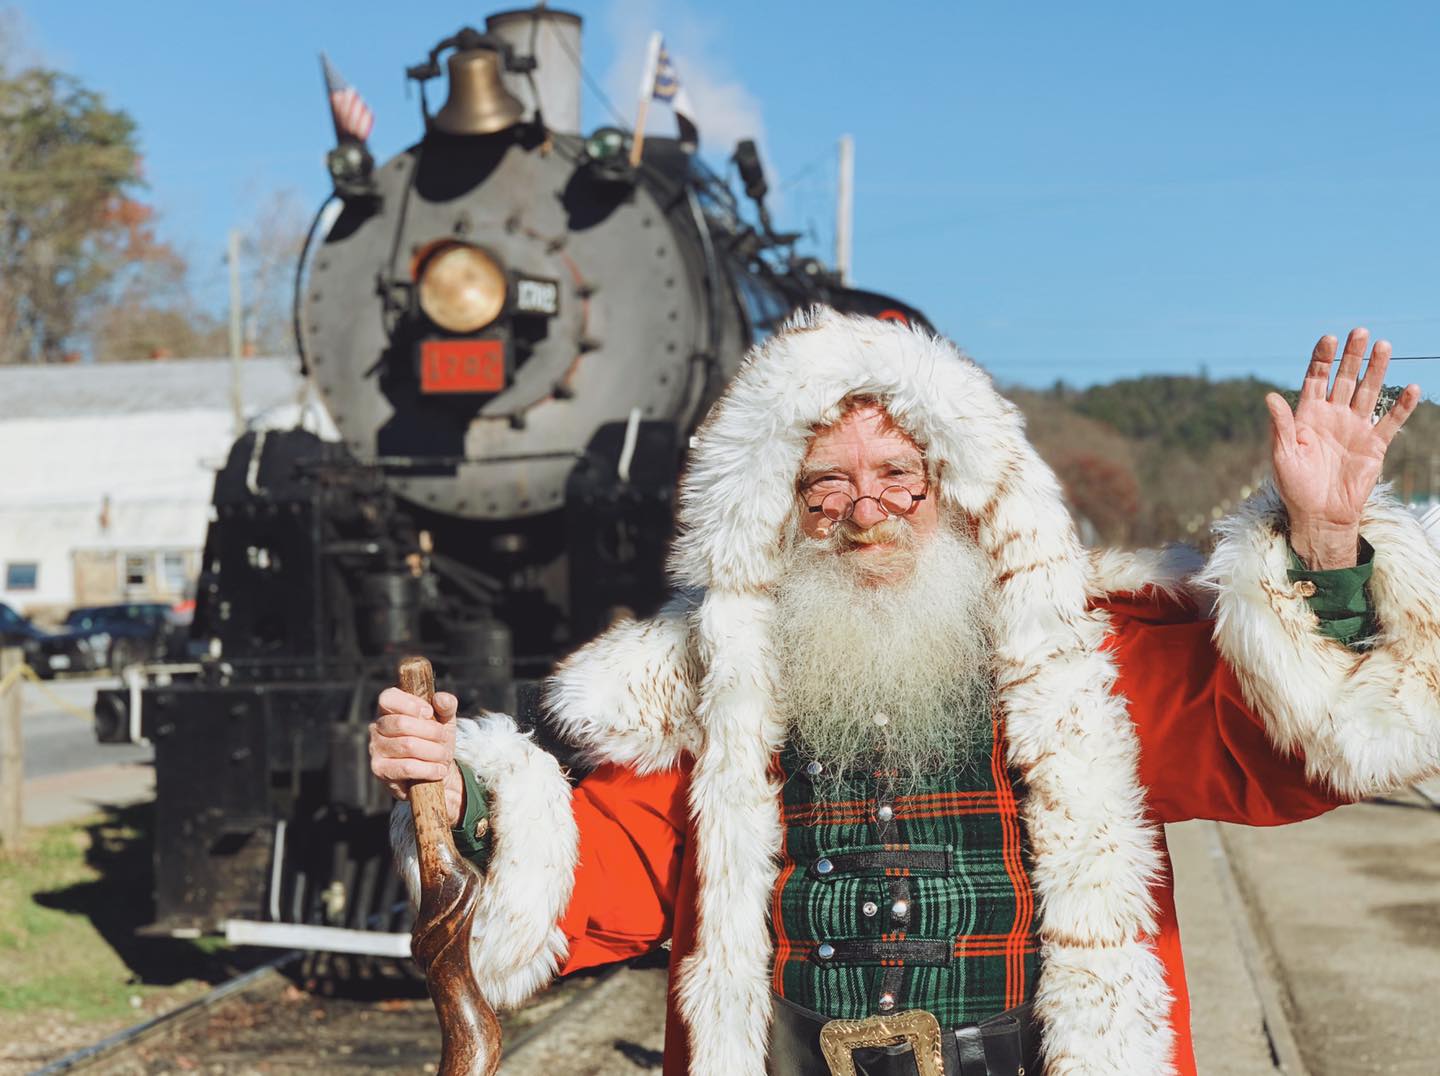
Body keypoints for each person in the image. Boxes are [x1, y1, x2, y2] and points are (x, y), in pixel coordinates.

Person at [371, 307, 1439, 1076]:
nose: (862, 507)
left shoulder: (1081, 657)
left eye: (897, 475)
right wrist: (460, 790)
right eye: (823, 481)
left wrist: (1327, 538)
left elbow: (1293, 747)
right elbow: (618, 866)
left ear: (961, 488)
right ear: (778, 509)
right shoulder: (730, 687)